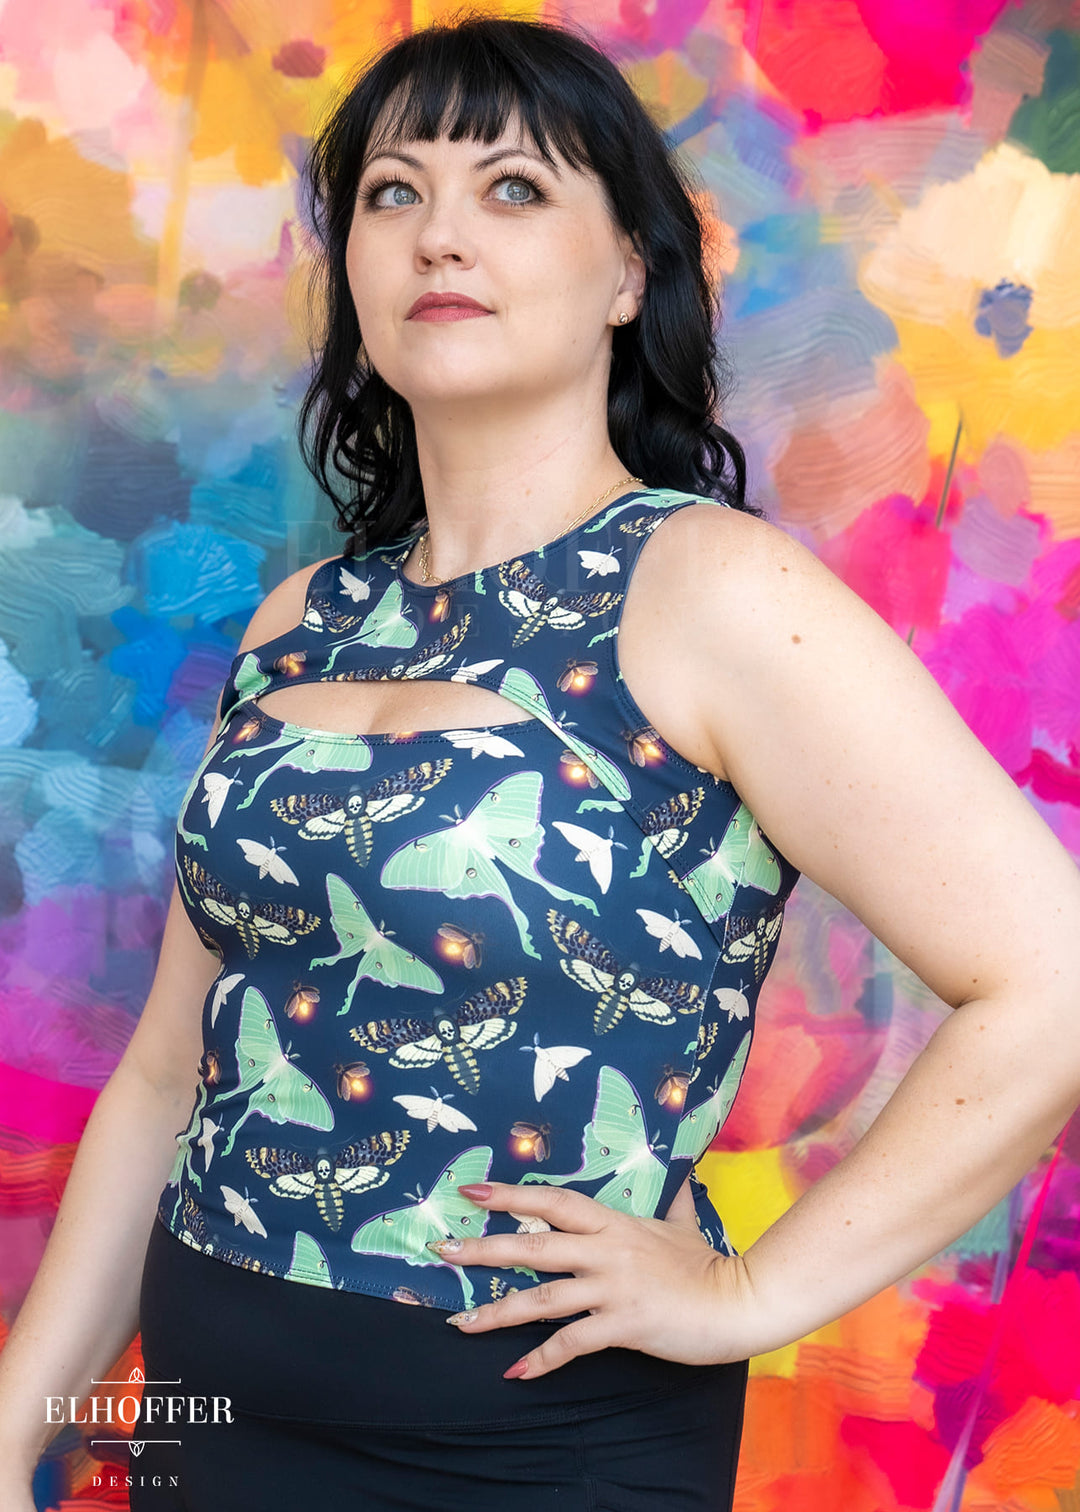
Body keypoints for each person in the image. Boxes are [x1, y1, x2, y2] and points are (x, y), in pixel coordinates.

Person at [2, 13, 1079, 1512]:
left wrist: (752, 1293)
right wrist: (15, 1431)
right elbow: (165, 1073)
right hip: (211, 1415)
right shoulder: (303, 621)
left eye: (512, 188)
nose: (440, 234)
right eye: (394, 193)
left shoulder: (709, 591)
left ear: (629, 272)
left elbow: (1050, 982)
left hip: (536, 1450)